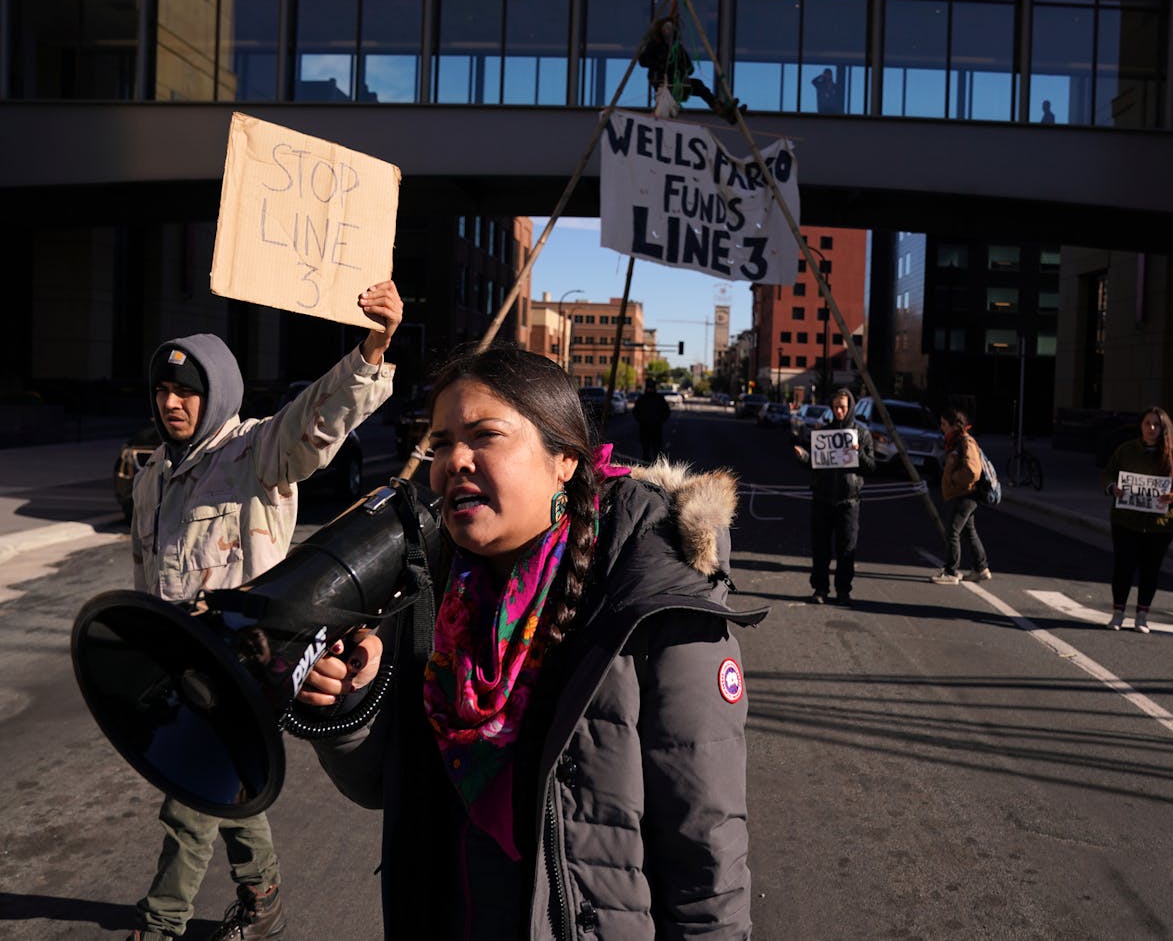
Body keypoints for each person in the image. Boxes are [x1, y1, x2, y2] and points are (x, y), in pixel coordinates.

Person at [295, 347, 765, 939]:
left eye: (484, 435)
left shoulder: (653, 595)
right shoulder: (424, 589)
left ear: (564, 457)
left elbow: (705, 850)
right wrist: (350, 704)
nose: (454, 461)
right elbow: (378, 788)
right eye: (440, 443)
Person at [123, 282, 403, 941]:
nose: (171, 402)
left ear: (214, 391)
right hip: (183, 658)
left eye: (187, 390)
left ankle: (161, 923)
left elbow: (319, 417)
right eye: (163, 390)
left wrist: (375, 345)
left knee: (192, 795)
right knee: (233, 786)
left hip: (249, 658)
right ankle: (263, 897)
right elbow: (146, 570)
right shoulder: (149, 478)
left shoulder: (257, 452)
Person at [1101, 406, 1173, 633]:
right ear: (1140, 426)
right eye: (1147, 424)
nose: (1151, 428)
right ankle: (1118, 613)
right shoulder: (1125, 450)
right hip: (1126, 520)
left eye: (1156, 424)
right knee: (1123, 567)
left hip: (1160, 525)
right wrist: (1112, 488)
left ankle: (1142, 615)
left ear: (1163, 428)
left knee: (1150, 570)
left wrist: (1172, 496)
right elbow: (1108, 473)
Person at [792, 388, 875, 606]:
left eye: (843, 407)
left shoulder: (862, 434)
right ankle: (820, 588)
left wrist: (858, 453)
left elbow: (871, 467)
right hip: (822, 499)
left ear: (850, 408)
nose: (839, 411)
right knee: (820, 548)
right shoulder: (824, 433)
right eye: (836, 407)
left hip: (849, 501)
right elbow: (815, 464)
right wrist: (803, 456)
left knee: (846, 549)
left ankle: (843, 590)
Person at [639, 13, 744, 123]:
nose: (669, 31)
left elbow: (690, 68)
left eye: (671, 28)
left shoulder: (677, 47)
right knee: (667, 106)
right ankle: (723, 111)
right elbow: (643, 61)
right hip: (662, 82)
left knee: (698, 85)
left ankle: (723, 111)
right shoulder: (655, 44)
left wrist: (681, 68)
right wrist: (661, 65)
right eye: (666, 28)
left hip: (677, 83)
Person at [929, 407, 991, 585]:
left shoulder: (965, 442)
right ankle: (981, 568)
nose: (942, 428)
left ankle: (951, 571)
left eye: (944, 424)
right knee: (968, 531)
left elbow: (973, 471)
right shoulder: (956, 441)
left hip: (966, 495)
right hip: (963, 493)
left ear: (954, 425)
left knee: (952, 532)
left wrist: (954, 478)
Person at [632, 378, 672, 461]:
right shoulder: (642, 398)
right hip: (644, 427)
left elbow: (667, 411)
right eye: (649, 387)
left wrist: (660, 420)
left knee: (656, 449)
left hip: (656, 427)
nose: (650, 389)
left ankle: (655, 464)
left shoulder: (659, 398)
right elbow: (635, 411)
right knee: (645, 449)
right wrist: (641, 420)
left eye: (651, 387)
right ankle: (646, 463)